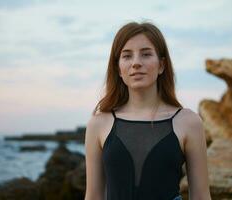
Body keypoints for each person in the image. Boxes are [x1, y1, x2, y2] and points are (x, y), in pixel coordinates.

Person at [84, 21, 211, 200]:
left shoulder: (189, 122)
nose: (136, 63)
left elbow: (201, 196)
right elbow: (93, 196)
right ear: (118, 69)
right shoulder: (98, 123)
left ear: (161, 65)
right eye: (127, 56)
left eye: (145, 54)